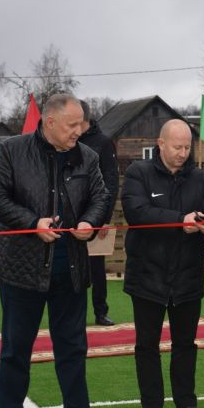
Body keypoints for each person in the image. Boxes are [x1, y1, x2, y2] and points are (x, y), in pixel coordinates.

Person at [0, 93, 111, 408]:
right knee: (16, 348)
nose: (79, 130)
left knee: (72, 347)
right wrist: (31, 223)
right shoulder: (11, 150)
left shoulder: (87, 156)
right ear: (50, 122)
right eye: (72, 125)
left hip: (71, 269)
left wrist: (90, 221)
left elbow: (101, 197)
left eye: (81, 123)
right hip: (22, 270)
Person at [121, 119, 204, 408]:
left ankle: (186, 404)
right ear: (161, 144)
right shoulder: (138, 173)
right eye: (177, 147)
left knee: (185, 344)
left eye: (187, 147)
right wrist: (181, 220)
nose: (182, 153)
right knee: (147, 346)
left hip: (188, 275)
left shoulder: (201, 179)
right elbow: (138, 213)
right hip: (146, 275)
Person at [79, 100, 120, 326]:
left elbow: (111, 182)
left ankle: (100, 311)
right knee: (73, 269)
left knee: (96, 268)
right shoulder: (68, 141)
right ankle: (75, 314)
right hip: (71, 217)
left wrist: (104, 218)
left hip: (96, 216)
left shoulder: (103, 143)